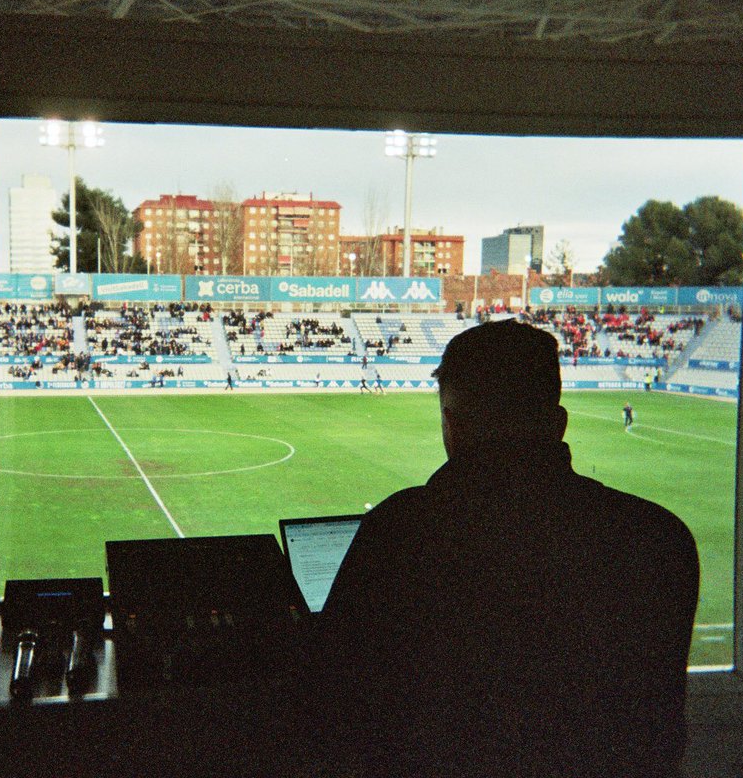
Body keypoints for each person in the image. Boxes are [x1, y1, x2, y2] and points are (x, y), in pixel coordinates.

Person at [296, 320, 699, 778]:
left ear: (452, 425)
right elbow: (659, 730)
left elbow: (332, 709)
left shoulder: (401, 532)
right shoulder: (660, 538)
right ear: (559, 422)